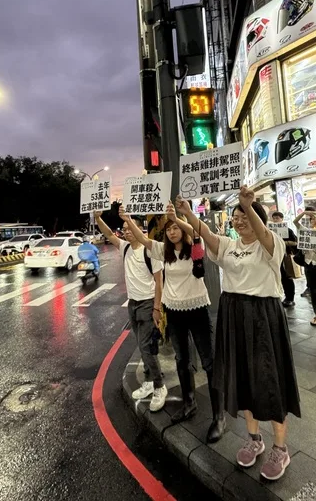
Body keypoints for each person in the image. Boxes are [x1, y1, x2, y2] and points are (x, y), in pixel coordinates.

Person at [177, 188, 300, 481]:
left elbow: (263, 232)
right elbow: (204, 231)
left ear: (258, 218)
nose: (239, 220)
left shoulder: (272, 245)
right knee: (242, 379)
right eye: (235, 217)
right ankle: (254, 439)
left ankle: (281, 449)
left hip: (263, 317)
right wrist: (186, 211)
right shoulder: (229, 246)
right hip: (233, 314)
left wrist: (248, 204)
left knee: (270, 382)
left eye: (245, 216)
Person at [120, 204, 225, 441]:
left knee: (209, 361)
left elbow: (199, 237)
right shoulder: (162, 252)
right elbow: (142, 239)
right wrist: (127, 218)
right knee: (181, 359)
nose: (172, 232)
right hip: (174, 311)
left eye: (176, 228)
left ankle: (219, 416)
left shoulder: (195, 249)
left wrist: (178, 216)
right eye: (169, 229)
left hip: (197, 309)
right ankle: (189, 403)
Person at [94, 212, 167, 411]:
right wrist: (98, 218)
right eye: (124, 229)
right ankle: (149, 382)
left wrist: (157, 307)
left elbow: (159, 282)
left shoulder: (149, 250)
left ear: (139, 229)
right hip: (133, 303)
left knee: (146, 346)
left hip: (148, 303)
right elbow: (109, 234)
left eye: (129, 228)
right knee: (142, 345)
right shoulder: (125, 248)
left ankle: (160, 386)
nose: (126, 232)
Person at [293, 209, 316, 327]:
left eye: (315, 218)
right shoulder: (306, 232)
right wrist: (304, 213)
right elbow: (295, 222)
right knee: (313, 291)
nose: (313, 221)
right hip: (308, 265)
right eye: (311, 219)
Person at [270, 211, 298, 308]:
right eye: (274, 218)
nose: (275, 220)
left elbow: (295, 242)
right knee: (277, 277)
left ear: (282, 219)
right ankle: (278, 296)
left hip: (285, 257)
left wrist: (283, 242)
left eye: (277, 218)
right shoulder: (270, 231)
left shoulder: (288, 230)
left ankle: (290, 298)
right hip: (274, 257)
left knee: (287, 277)